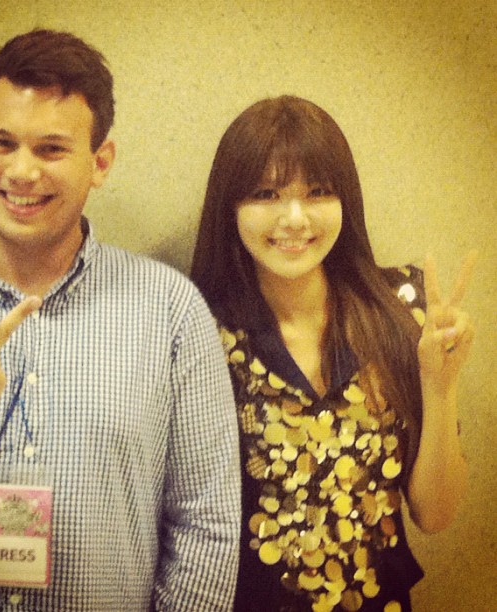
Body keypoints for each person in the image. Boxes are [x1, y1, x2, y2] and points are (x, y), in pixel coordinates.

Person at [0, 29, 241, 611]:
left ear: (100, 162)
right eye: (2, 142)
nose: (22, 172)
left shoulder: (170, 311)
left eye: (51, 149)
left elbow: (206, 525)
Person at [191, 95, 476, 612]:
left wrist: (441, 383)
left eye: (318, 191)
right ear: (230, 207)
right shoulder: (200, 332)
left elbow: (434, 515)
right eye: (266, 193)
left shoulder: (401, 311)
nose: (294, 218)